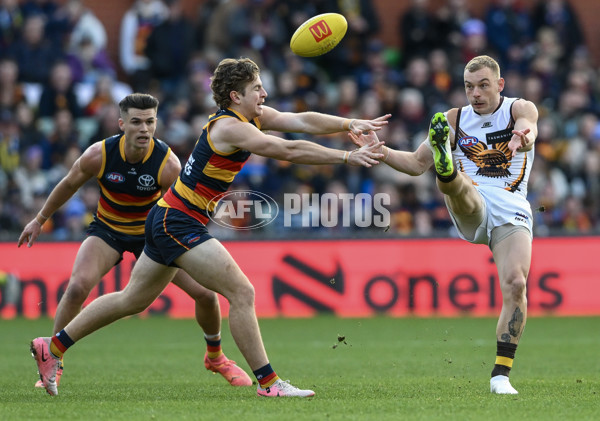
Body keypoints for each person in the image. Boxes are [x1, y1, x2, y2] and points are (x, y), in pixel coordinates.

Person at [29, 57, 390, 397]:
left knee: (131, 300)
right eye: (257, 89)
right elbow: (288, 151)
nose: (264, 95)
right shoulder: (232, 128)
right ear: (236, 96)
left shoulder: (251, 118)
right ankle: (269, 382)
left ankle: (53, 347)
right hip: (178, 221)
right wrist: (346, 156)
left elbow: (302, 121)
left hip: (167, 216)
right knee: (242, 292)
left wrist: (348, 125)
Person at [19, 93, 253, 389]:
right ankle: (54, 359)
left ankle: (216, 357)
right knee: (77, 287)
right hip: (108, 230)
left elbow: (185, 208)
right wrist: (39, 220)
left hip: (153, 236)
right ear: (122, 124)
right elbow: (68, 184)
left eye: (150, 122)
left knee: (206, 295)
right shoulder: (99, 154)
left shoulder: (167, 164)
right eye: (137, 122)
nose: (144, 129)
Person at [351, 55, 537, 394]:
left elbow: (529, 126)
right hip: (474, 200)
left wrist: (523, 137)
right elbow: (414, 164)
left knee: (516, 285)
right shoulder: (453, 118)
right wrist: (381, 150)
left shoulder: (517, 109)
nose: (475, 93)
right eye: (469, 86)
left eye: (483, 85)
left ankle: (500, 377)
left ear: (500, 84)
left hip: (512, 208)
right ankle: (447, 168)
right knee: (457, 182)